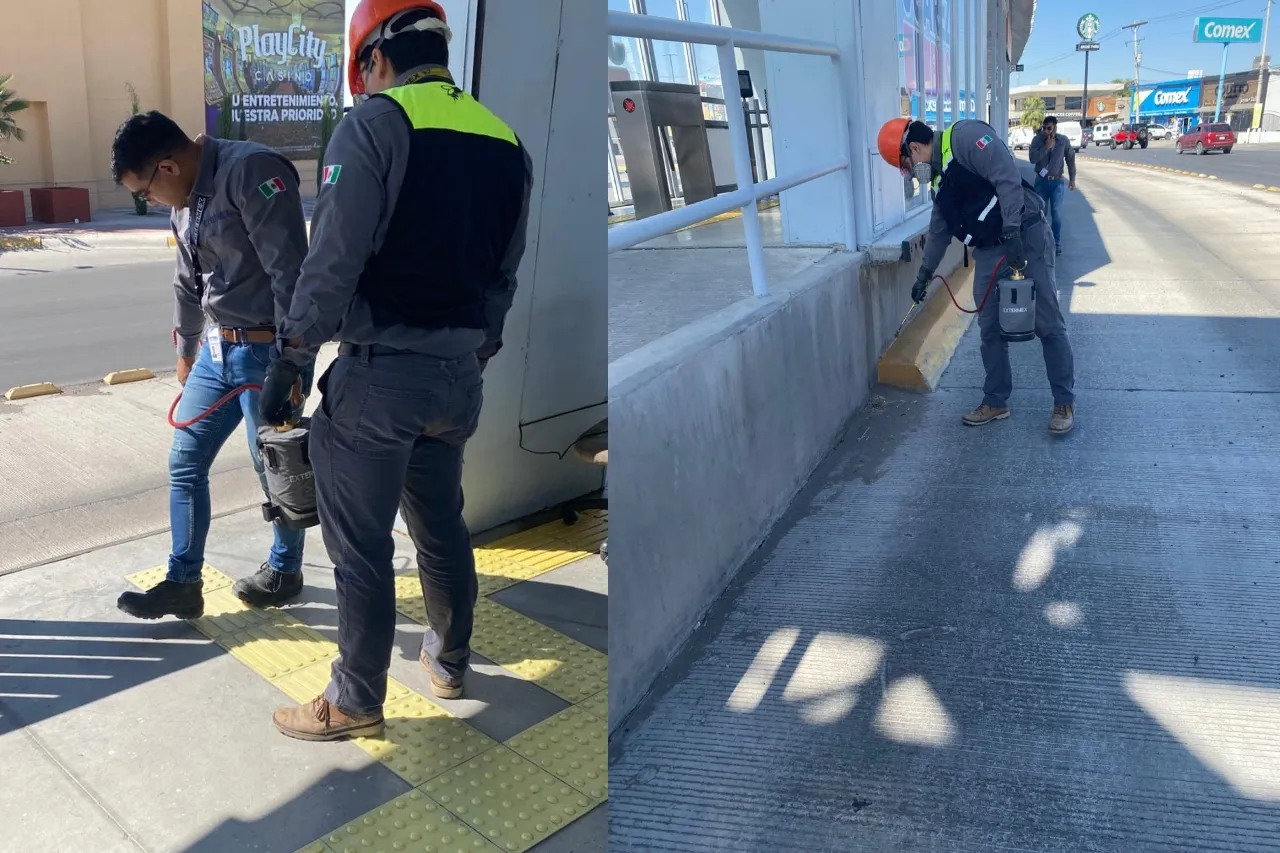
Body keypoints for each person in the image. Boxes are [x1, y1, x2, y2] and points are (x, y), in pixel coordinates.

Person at [262, 0, 534, 742]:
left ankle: (352, 698)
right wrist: (471, 353)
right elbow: (502, 276)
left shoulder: (376, 123)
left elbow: (333, 261)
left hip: (380, 379)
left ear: (374, 59)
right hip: (458, 379)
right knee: (441, 528)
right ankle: (447, 662)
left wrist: (291, 355)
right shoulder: (506, 141)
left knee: (361, 549)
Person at [111, 112, 311, 620]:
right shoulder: (185, 203)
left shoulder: (252, 171)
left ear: (168, 167)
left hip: (265, 353)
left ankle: (284, 571)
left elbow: (292, 274)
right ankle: (183, 583)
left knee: (276, 471)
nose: (149, 201)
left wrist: (293, 363)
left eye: (146, 191)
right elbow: (185, 281)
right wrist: (186, 349)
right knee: (184, 463)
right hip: (217, 352)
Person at [878, 116, 1076, 434]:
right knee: (989, 329)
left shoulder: (967, 138)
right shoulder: (941, 183)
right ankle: (996, 401)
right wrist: (924, 275)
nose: (911, 174)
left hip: (1024, 234)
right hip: (989, 250)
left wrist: (1012, 232)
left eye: (906, 165)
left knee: (1048, 323)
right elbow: (940, 229)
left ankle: (1063, 401)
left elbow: (1007, 177)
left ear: (914, 147)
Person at [1027, 115, 1076, 255]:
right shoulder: (1037, 140)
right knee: (1040, 213)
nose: (1046, 131)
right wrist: (1046, 148)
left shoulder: (1063, 141)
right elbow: (1032, 159)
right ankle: (1041, 242)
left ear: (1055, 127)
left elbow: (1070, 159)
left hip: (1057, 182)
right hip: (1041, 182)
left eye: (1049, 128)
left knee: (1057, 214)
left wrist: (1072, 179)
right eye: (1044, 128)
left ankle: (1056, 243)